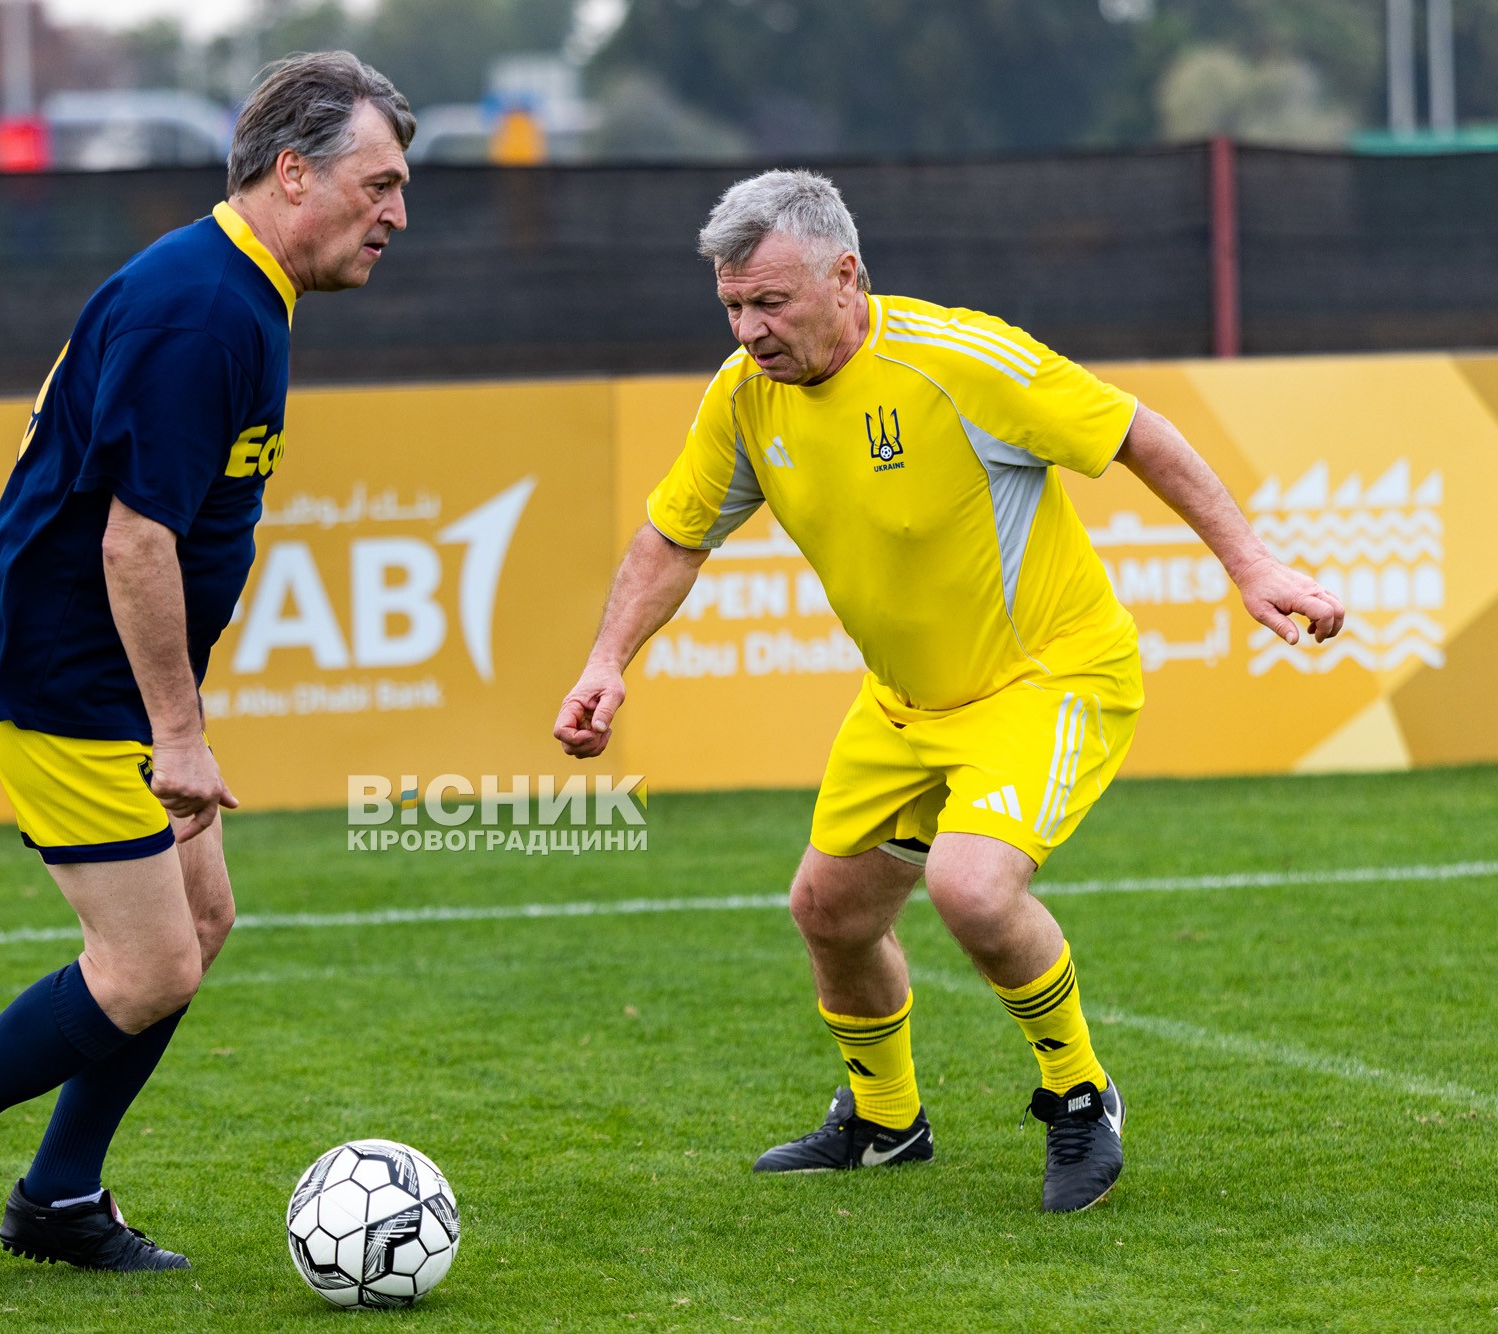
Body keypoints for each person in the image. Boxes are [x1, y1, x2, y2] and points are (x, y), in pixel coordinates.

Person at [553, 170, 1343, 1213]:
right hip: (902, 705)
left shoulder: (955, 360)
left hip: (1045, 678)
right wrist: (607, 659)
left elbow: (1135, 434)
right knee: (827, 911)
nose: (748, 329)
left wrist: (1251, 567)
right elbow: (672, 535)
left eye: (769, 303)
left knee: (971, 887)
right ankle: (884, 1122)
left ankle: (1077, 1092)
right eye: (733, 306)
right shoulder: (743, 398)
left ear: (844, 276)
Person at [0, 52, 414, 1281]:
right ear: (292, 171)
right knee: (149, 963)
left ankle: (56, 1194)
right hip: (63, 685)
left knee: (201, 922)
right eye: (379, 184)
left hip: (100, 682)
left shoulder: (240, 288)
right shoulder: (201, 305)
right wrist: (181, 731)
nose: (396, 215)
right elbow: (133, 535)